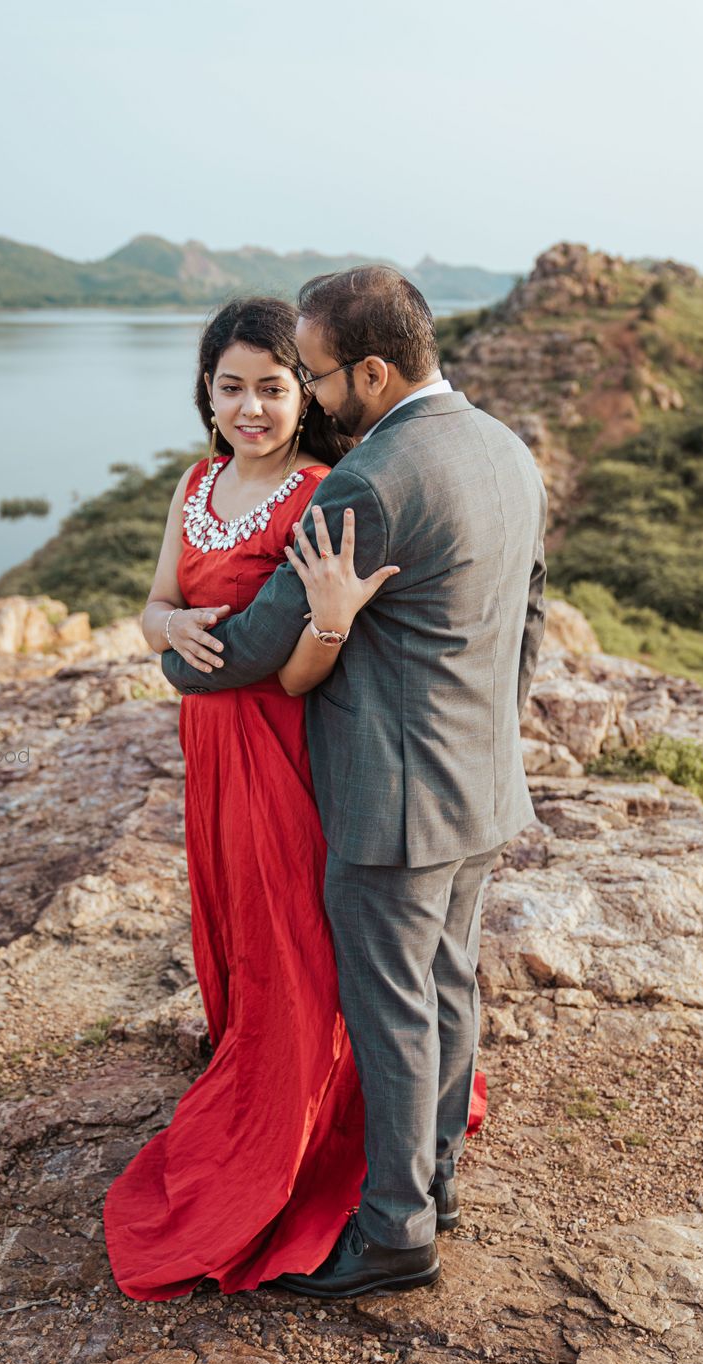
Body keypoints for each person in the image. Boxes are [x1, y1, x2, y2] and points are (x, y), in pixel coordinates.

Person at [158, 267, 548, 1300]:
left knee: (389, 1011)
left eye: (319, 375)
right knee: (446, 986)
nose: (315, 396)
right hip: (479, 784)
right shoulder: (502, 447)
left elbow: (253, 646)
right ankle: (435, 1183)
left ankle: (394, 1233)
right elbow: (530, 620)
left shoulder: (370, 480)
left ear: (372, 370)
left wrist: (170, 650)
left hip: (393, 800)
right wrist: (488, 741)